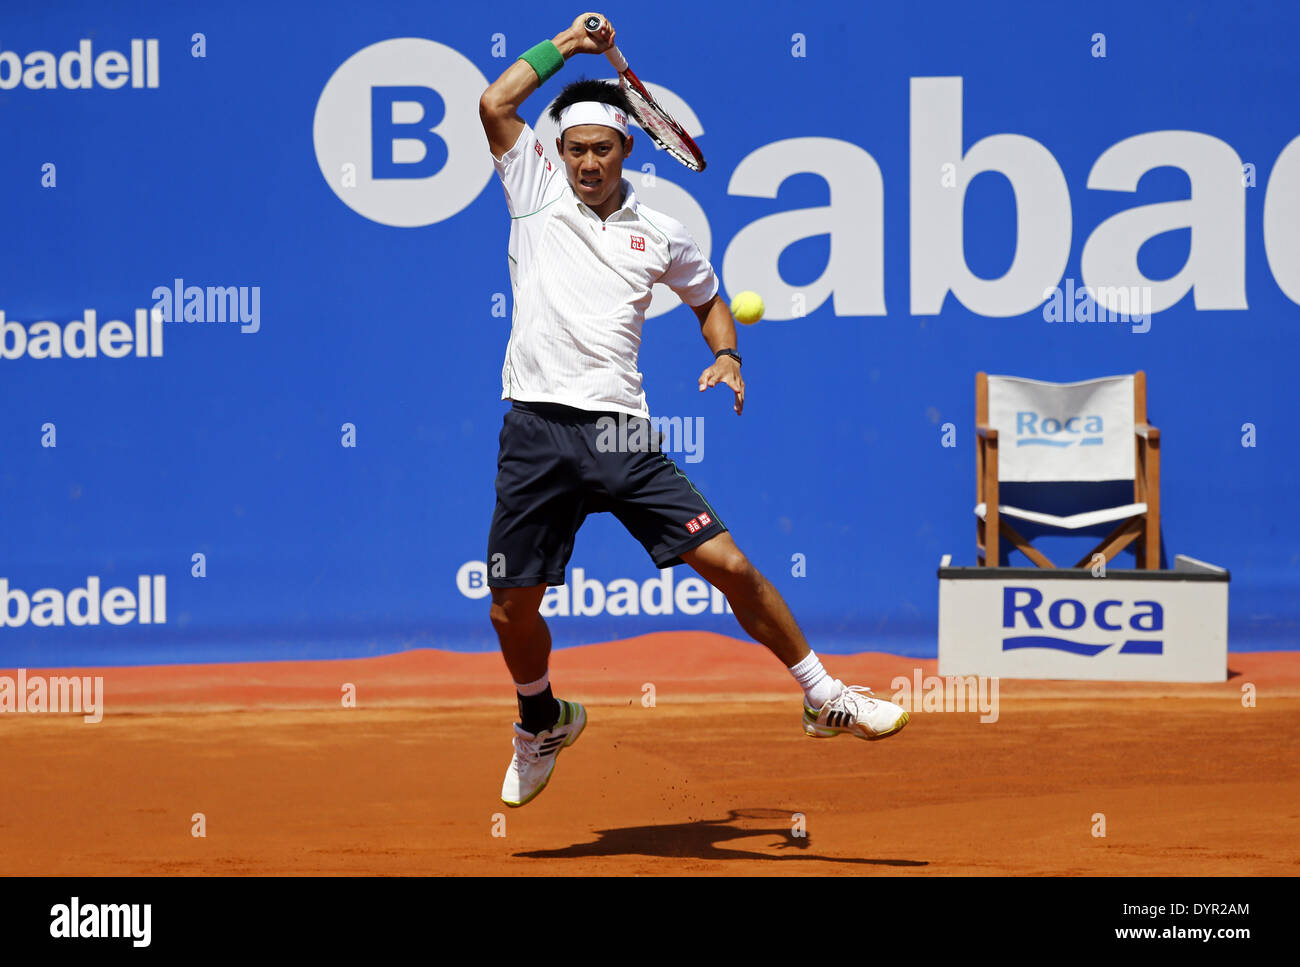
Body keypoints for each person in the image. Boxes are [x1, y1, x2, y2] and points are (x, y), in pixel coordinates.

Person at [478, 12, 908, 808]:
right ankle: (542, 718)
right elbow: (495, 104)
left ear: (626, 150)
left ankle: (823, 694)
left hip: (619, 431)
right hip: (535, 426)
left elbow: (711, 300)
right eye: (573, 149)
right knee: (510, 607)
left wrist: (727, 354)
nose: (585, 163)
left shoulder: (662, 232)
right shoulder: (533, 194)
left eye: (600, 149)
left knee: (732, 566)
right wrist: (567, 47)